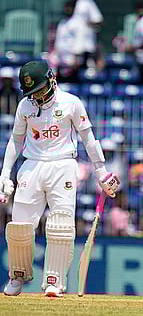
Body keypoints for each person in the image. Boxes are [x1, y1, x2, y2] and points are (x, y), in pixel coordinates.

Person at [0, 61, 120, 297]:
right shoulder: (25, 105)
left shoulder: (71, 103)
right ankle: (17, 275)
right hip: (31, 165)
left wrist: (100, 172)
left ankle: (54, 281)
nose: (38, 97)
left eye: (41, 90)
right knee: (20, 228)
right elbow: (15, 140)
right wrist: (5, 173)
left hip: (63, 165)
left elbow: (89, 138)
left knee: (61, 225)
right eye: (33, 93)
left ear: (52, 80)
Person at [71, 0, 104, 69]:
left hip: (87, 46)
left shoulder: (87, 2)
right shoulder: (71, 4)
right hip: (74, 47)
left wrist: (86, 24)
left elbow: (99, 21)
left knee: (88, 71)